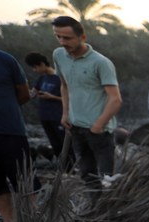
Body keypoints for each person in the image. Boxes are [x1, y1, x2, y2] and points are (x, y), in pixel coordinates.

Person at [51, 15, 122, 190]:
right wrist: (65, 113)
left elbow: (115, 99)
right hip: (75, 127)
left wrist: (98, 125)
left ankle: (111, 207)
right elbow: (64, 85)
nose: (62, 42)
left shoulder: (101, 63)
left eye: (67, 38)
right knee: (87, 176)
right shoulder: (59, 55)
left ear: (82, 37)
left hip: (99, 131)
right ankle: (95, 205)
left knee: (108, 180)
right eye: (58, 37)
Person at [0, 48, 37, 222]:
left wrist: (5, 110)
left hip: (10, 130)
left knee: (23, 178)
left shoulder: (6, 60)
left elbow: (24, 94)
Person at [24, 52, 73, 169]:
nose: (34, 70)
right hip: (45, 116)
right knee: (54, 143)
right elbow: (32, 93)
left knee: (64, 143)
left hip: (58, 116)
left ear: (42, 64)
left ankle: (71, 167)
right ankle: (62, 167)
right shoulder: (42, 78)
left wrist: (52, 97)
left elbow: (70, 98)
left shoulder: (59, 78)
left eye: (35, 67)